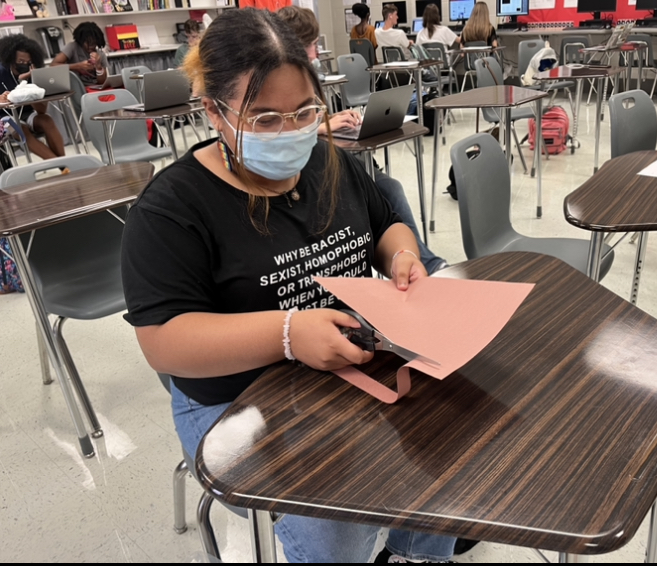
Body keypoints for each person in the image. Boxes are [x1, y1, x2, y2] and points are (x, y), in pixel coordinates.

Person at [121, 8, 455, 564]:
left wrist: (403, 255)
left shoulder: (328, 161)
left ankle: (415, 553)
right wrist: (287, 334)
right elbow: (164, 340)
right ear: (214, 112)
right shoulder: (172, 209)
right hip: (239, 398)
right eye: (266, 119)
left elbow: (386, 225)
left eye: (304, 111)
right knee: (335, 517)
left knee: (445, 432)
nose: (291, 131)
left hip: (348, 366)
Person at [278, 5, 447, 274]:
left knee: (389, 187)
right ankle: (429, 264)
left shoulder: (308, 79)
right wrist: (321, 128)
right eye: (310, 45)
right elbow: (276, 130)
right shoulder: (275, 85)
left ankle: (424, 261)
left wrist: (330, 120)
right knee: (383, 190)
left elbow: (308, 117)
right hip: (308, 169)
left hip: (337, 159)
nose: (316, 52)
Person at [0, 34, 66, 161]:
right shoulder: (0, 71)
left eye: (28, 62)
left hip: (26, 113)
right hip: (4, 116)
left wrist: (33, 87)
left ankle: (63, 162)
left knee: (47, 120)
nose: (24, 64)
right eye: (20, 62)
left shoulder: (34, 75)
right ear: (10, 59)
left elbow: (41, 111)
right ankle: (62, 166)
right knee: (20, 129)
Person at [51, 21, 108, 86]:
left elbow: (102, 82)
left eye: (94, 43)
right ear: (81, 41)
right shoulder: (72, 47)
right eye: (88, 43)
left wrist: (98, 66)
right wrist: (77, 66)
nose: (92, 46)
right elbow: (53, 66)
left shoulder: (100, 54)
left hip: (95, 89)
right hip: (77, 87)